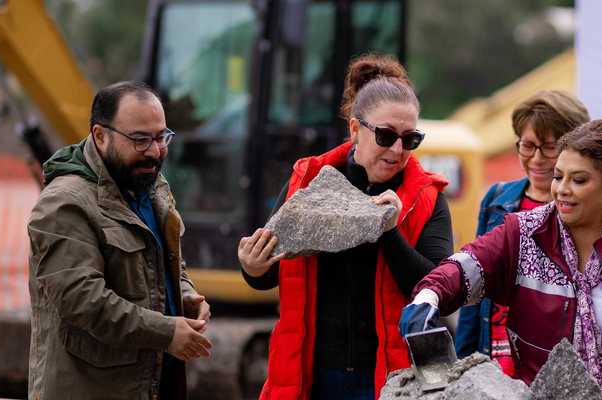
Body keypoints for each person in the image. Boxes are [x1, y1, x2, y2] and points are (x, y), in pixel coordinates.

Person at [401, 120, 602, 399]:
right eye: (558, 176)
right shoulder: (522, 235)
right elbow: (465, 267)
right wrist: (428, 298)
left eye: (579, 180)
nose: (562, 189)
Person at [238, 54, 452, 399]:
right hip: (313, 376)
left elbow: (440, 291)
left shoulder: (426, 197)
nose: (398, 150)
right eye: (385, 136)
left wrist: (389, 230)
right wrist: (252, 266)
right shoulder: (308, 182)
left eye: (410, 139)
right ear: (355, 129)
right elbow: (270, 273)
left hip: (392, 378)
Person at [28, 81, 213, 399]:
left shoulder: (149, 184)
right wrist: (166, 332)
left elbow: (165, 259)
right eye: (140, 140)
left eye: (161, 137)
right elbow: (83, 301)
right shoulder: (64, 204)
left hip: (152, 381)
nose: (155, 152)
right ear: (101, 136)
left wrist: (183, 293)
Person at [455, 90, 590, 377]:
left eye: (549, 147)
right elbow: (473, 285)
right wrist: (462, 365)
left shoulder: (585, 207)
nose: (537, 159)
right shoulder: (497, 198)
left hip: (555, 365)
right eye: (527, 146)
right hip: (494, 359)